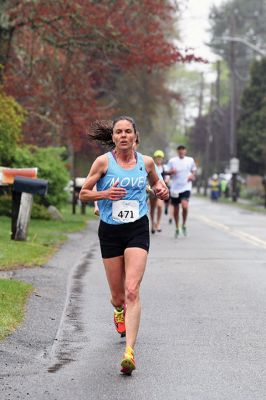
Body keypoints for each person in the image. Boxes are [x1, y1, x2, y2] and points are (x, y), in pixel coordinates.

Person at [79, 116, 169, 375]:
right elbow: (83, 193)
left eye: (128, 131)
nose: (123, 136)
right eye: (119, 132)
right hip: (110, 231)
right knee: (118, 297)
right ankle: (118, 311)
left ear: (135, 136)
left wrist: (162, 191)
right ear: (114, 137)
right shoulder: (103, 162)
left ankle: (129, 351)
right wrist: (105, 194)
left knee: (132, 290)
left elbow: (158, 186)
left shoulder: (147, 162)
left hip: (137, 229)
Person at [167, 145, 197, 238]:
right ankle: (177, 227)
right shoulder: (172, 161)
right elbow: (167, 172)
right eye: (179, 151)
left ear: (185, 151)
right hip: (175, 188)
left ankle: (183, 224)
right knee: (176, 209)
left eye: (183, 151)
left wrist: (192, 176)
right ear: (177, 152)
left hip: (186, 186)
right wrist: (171, 171)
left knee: (184, 206)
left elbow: (194, 170)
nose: (181, 152)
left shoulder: (190, 160)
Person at [149, 150, 166, 233]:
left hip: (161, 190)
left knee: (159, 206)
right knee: (152, 208)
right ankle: (152, 224)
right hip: (152, 189)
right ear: (155, 158)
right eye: (157, 157)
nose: (159, 159)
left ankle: (158, 223)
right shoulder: (152, 166)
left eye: (160, 158)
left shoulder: (164, 168)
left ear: (162, 159)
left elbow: (167, 177)